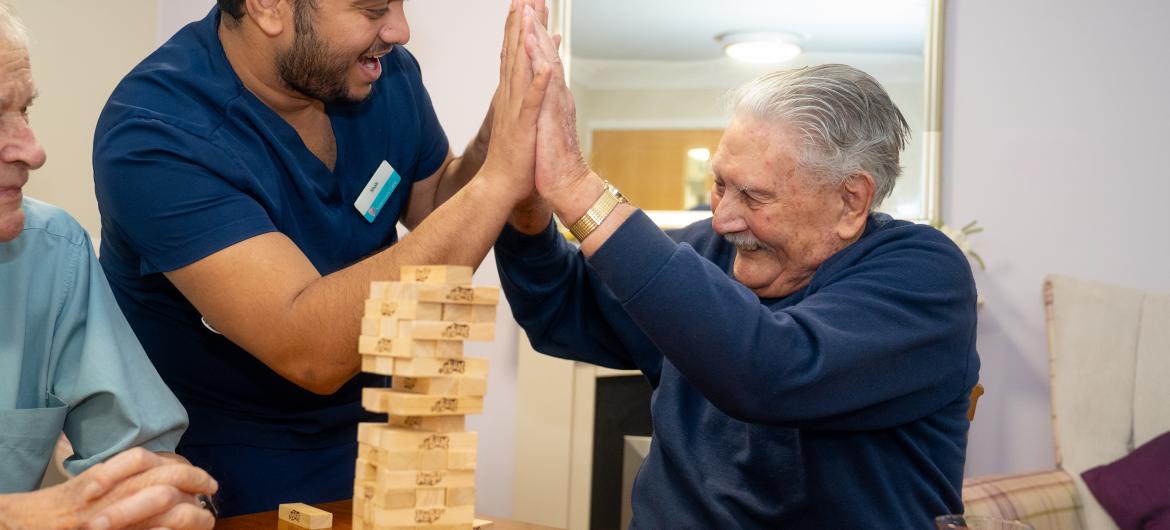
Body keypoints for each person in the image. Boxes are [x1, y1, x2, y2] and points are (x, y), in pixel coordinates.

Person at [501, 22, 980, 529]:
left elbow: (769, 372)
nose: (723, 218)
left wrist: (575, 185)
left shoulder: (922, 273)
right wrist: (529, 194)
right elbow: (561, 307)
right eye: (719, 185)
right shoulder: (708, 247)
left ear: (850, 201)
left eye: (753, 195)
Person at [91, 0, 550, 515]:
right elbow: (310, 351)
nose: (400, 30)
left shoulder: (379, 75)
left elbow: (439, 202)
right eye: (373, 9)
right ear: (269, 8)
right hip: (221, 475)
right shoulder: (156, 132)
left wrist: (505, 125)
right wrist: (497, 184)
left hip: (378, 446)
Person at [0, 4, 218, 528]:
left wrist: (164, 498)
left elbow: (140, 459)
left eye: (24, 111)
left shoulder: (51, 254)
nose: (33, 151)